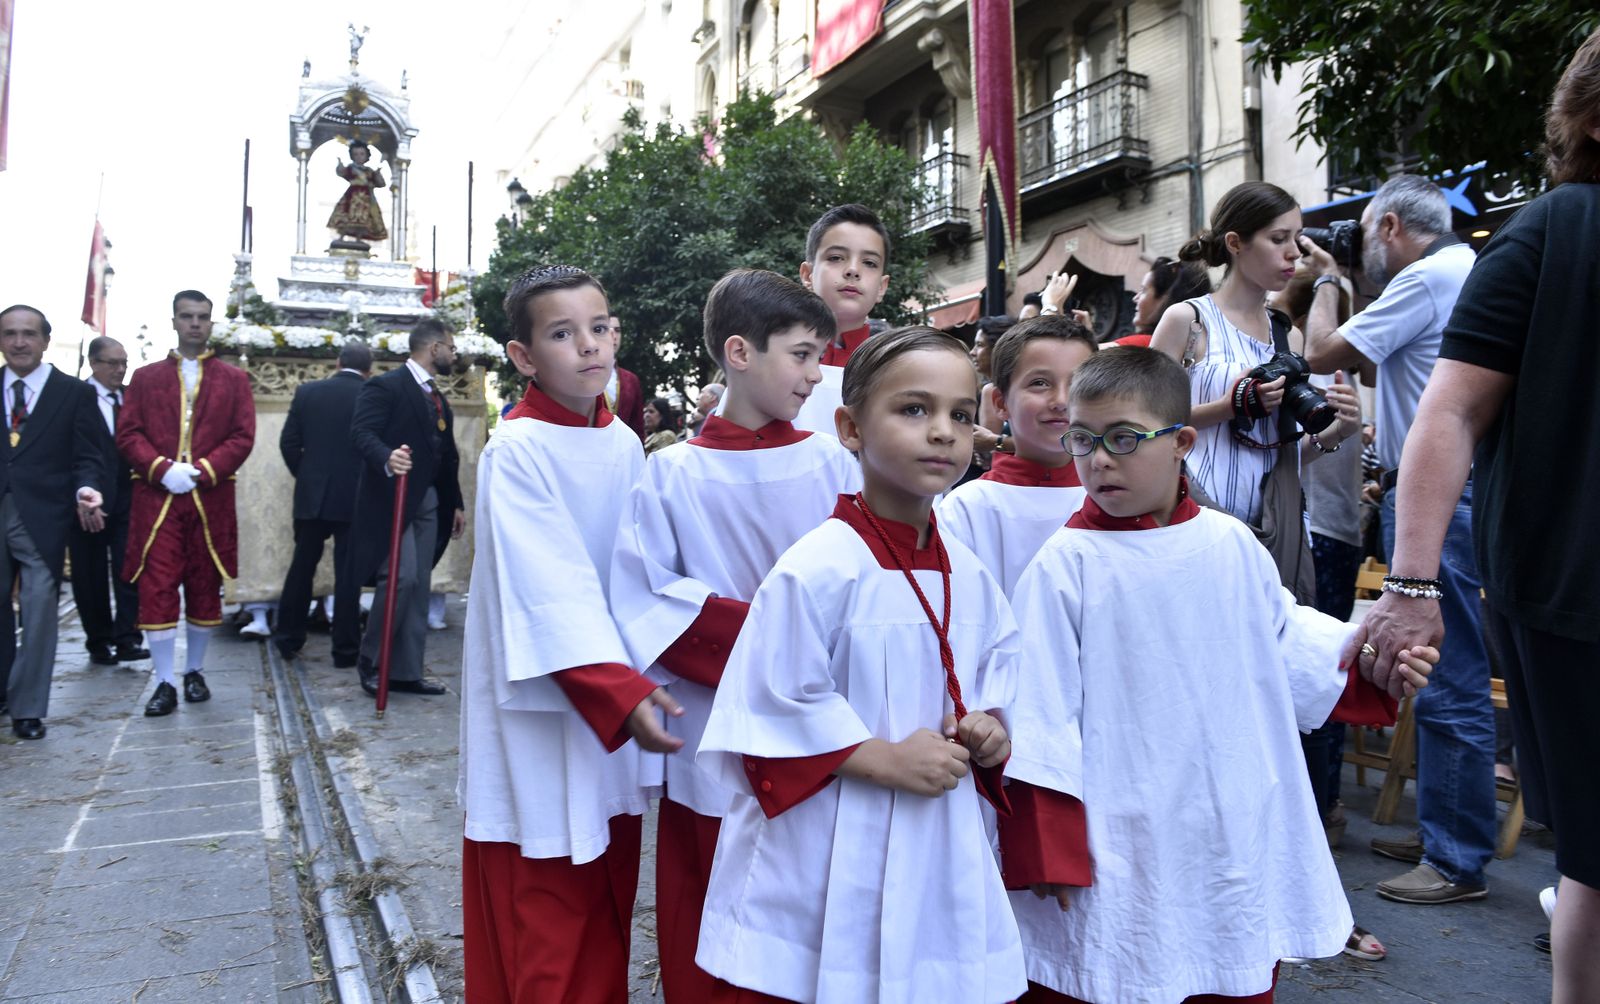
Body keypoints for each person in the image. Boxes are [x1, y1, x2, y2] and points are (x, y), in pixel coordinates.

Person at [1002, 348, 1437, 1003]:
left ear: (1181, 442)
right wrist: (1050, 846)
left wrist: (1375, 665)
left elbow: (1282, 640)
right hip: (1121, 832)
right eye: (1083, 440)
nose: (1099, 459)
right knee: (1115, 966)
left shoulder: (1230, 545)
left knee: (1223, 955)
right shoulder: (1066, 564)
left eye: (1123, 439)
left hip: (1223, 817)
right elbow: (1037, 707)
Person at [1354, 29, 1600, 1002]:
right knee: (1591, 853)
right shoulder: (1552, 232)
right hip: (1573, 599)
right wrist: (1410, 588)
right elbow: (1446, 412)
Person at [696, 326, 1023, 1002]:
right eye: (914, 409)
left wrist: (988, 727)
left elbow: (994, 673)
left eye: (961, 415)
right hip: (832, 834)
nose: (943, 432)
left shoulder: (969, 569)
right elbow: (770, 700)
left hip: (936, 836)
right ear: (850, 428)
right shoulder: (818, 566)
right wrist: (877, 756)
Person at [608, 267, 861, 999]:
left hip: (818, 717)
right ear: (741, 354)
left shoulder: (831, 464)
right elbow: (649, 596)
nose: (818, 375)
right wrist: (777, 638)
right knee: (709, 909)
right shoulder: (673, 474)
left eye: (821, 355)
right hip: (717, 731)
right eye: (803, 355)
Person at [459, 264, 679, 1003]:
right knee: (547, 896)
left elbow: (631, 566)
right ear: (523, 357)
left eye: (600, 326)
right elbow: (548, 583)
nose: (589, 347)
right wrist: (619, 691)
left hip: (611, 707)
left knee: (607, 884)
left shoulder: (620, 441)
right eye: (562, 334)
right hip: (548, 701)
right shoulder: (515, 450)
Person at [1300, 175, 1494, 905]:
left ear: (1387, 227)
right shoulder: (1462, 272)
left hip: (1443, 498)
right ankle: (1450, 835)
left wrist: (1326, 282)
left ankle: (1453, 860)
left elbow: (1323, 354)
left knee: (1443, 669)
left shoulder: (1427, 275)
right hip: (1461, 494)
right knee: (1442, 667)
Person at [1149, 182, 1360, 532]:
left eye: (1297, 238)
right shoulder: (1188, 320)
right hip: (1196, 518)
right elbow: (1148, 423)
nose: (1294, 252)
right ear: (1235, 243)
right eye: (1279, 239)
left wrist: (1339, 429)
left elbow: (1282, 453)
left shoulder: (1288, 333)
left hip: (1274, 525)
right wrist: (1231, 406)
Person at [119, 290, 256, 718]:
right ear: (174, 321)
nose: (195, 323)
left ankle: (194, 670)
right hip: (156, 500)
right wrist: (161, 469)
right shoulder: (145, 377)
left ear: (211, 322)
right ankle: (163, 680)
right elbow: (128, 434)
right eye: (187, 316)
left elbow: (242, 435)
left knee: (203, 586)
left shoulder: (234, 379)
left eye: (202, 317)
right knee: (156, 587)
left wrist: (203, 469)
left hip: (209, 499)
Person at [0, 306, 106, 739]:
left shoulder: (72, 393)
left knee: (41, 606)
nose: (19, 342)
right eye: (10, 334)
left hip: (42, 518)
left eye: (28, 334)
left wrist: (87, 488)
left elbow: (89, 455)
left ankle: (28, 708)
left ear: (45, 341)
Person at [939, 315, 1097, 595]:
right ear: (1001, 403)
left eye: (1077, 384)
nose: (1061, 401)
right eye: (1039, 383)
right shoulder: (968, 508)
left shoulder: (1113, 496)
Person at [348, 318, 464, 698]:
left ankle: (405, 671)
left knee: (420, 587)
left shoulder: (437, 396)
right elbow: (362, 433)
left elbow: (446, 456)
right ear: (434, 348)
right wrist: (388, 457)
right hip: (392, 499)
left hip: (429, 500)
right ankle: (372, 660)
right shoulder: (385, 385)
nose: (454, 353)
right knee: (402, 578)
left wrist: (456, 503)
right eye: (450, 346)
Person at [273, 340, 372, 666]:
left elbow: (289, 443)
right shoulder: (372, 395)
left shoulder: (307, 392)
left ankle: (288, 638)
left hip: (312, 496)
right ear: (368, 369)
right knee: (347, 576)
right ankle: (345, 650)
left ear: (337, 362)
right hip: (355, 497)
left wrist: (307, 476)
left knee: (302, 568)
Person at [68, 334, 148, 668]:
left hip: (129, 498)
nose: (120, 370)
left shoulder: (131, 398)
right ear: (94, 363)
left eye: (124, 363)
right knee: (89, 574)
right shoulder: (73, 397)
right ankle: (98, 639)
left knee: (130, 568)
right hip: (86, 502)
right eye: (113, 363)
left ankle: (128, 636)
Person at [791, 203, 893, 435]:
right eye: (836, 257)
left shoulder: (897, 365)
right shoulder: (769, 360)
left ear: (882, 286)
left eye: (869, 263)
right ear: (807, 275)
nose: (853, 270)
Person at [1124, 256, 1212, 346]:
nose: (1135, 298)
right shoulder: (1208, 346)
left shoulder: (1134, 346)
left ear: (1164, 298)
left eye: (1144, 290)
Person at [326, 140, 388, 243]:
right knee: (346, 217)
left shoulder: (369, 171)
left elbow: (381, 184)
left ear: (367, 156)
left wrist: (377, 175)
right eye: (356, 154)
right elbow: (341, 172)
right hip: (352, 197)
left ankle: (359, 239)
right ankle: (341, 237)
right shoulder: (351, 168)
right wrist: (340, 165)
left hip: (365, 199)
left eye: (362, 154)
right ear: (352, 156)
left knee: (363, 220)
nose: (359, 157)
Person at [605, 313, 646, 437]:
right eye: (606, 329)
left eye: (617, 330)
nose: (614, 336)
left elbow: (638, 425)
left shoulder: (631, 380)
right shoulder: (582, 375)